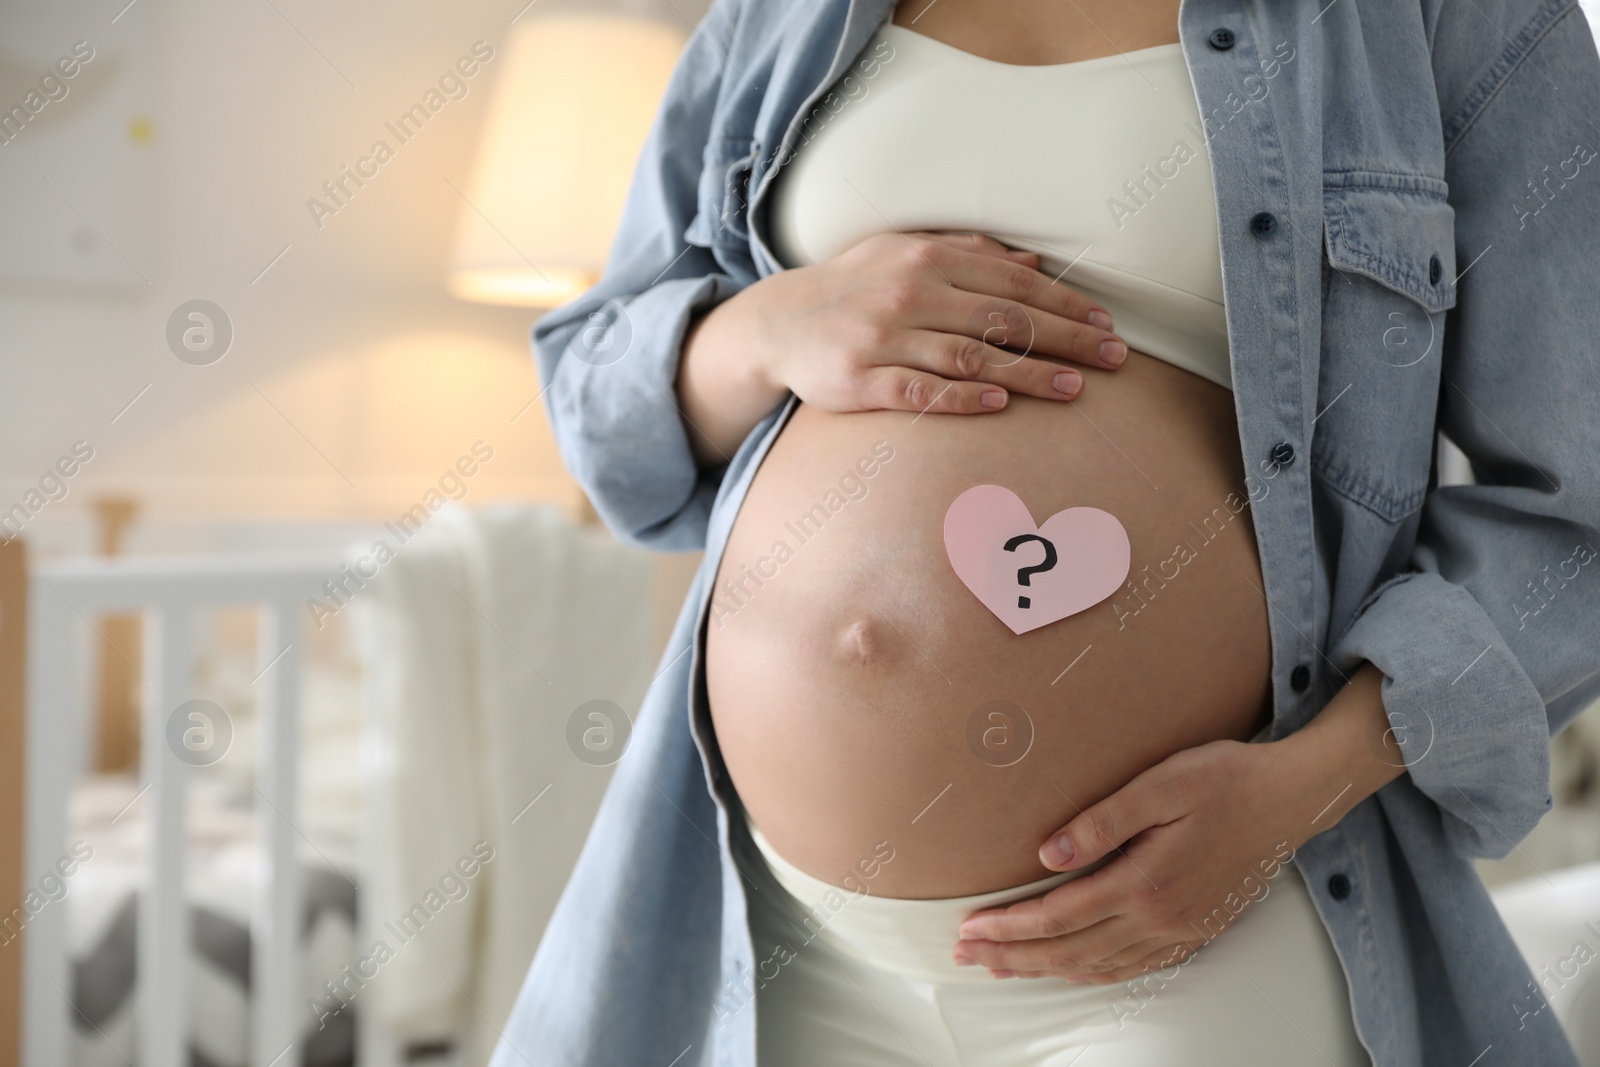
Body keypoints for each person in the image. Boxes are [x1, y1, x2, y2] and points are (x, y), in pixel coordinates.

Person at [491, 0, 1600, 1064]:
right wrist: (760, 330)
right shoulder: (782, 15)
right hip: (775, 933)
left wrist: (1305, 783)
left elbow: (1578, 511)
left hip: (1190, 928)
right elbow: (600, 393)